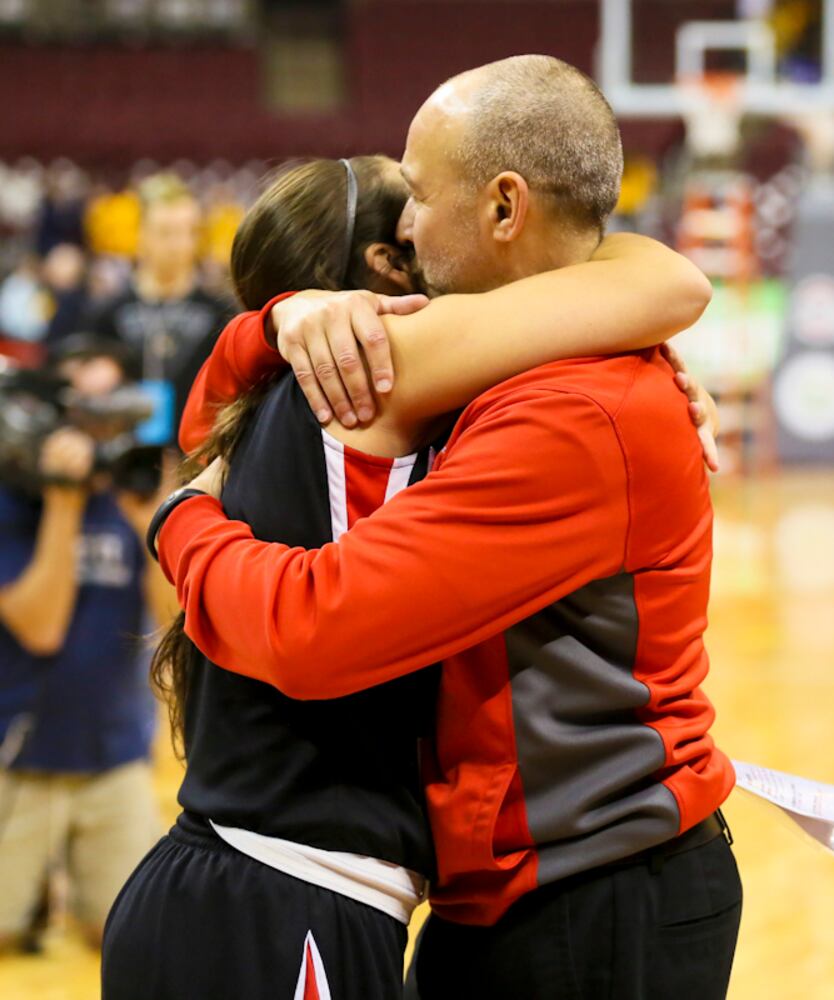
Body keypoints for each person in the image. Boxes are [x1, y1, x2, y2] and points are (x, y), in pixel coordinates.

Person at [157, 55, 741, 1000]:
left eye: (421, 196)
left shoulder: (573, 414)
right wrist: (277, 324)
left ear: (505, 208)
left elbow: (314, 628)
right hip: (501, 883)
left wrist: (181, 521)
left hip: (595, 889)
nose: (408, 225)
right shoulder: (495, 365)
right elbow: (660, 275)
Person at [0, 337, 175, 952]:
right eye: (81, 412)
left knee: (130, 935)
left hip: (113, 755)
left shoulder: (133, 490)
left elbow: (173, 626)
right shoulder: (12, 494)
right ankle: (39, 895)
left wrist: (152, 525)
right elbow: (40, 626)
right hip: (18, 752)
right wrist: (63, 501)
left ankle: (64, 889)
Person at [90, 173, 233, 444]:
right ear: (141, 233)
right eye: (166, 232)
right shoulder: (108, 313)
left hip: (197, 464)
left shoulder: (222, 315)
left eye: (188, 232)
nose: (179, 245)